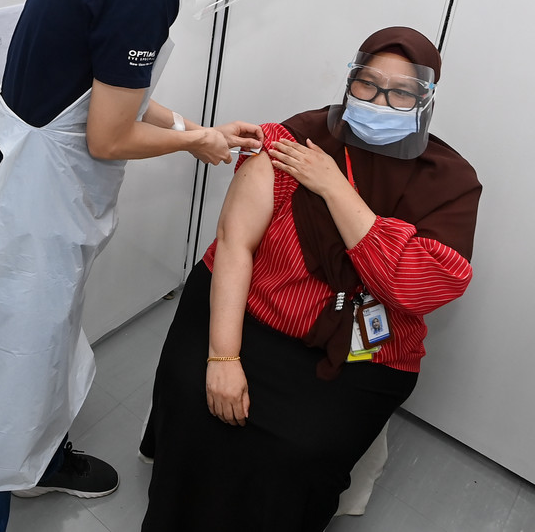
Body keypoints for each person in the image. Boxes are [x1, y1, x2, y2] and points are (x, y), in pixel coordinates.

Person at [0, 0, 315, 532]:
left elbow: (112, 90)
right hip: (27, 195)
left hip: (28, 171)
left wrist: (196, 127)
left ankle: (44, 461)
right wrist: (195, 147)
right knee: (10, 375)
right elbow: (108, 135)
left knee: (47, 342)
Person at [140, 27, 481, 532]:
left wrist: (334, 188)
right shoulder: (293, 142)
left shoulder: (450, 182)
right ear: (349, 81)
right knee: (192, 400)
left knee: (300, 450)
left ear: (425, 100)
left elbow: (413, 287)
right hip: (251, 311)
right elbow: (236, 244)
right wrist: (224, 358)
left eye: (402, 92)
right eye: (367, 83)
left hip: (363, 348)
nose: (380, 100)